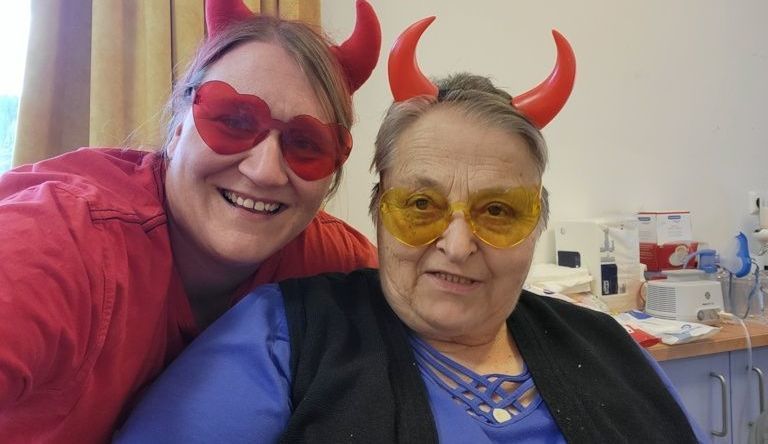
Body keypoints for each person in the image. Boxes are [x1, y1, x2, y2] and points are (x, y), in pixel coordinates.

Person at [115, 17, 707, 444]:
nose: (458, 245)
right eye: (421, 204)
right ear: (378, 212)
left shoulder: (606, 345)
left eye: (498, 211)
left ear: (536, 225)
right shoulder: (283, 338)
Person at [0, 1, 381, 442]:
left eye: (307, 144)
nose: (265, 172)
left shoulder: (333, 264)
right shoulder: (64, 240)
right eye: (233, 120)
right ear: (179, 126)